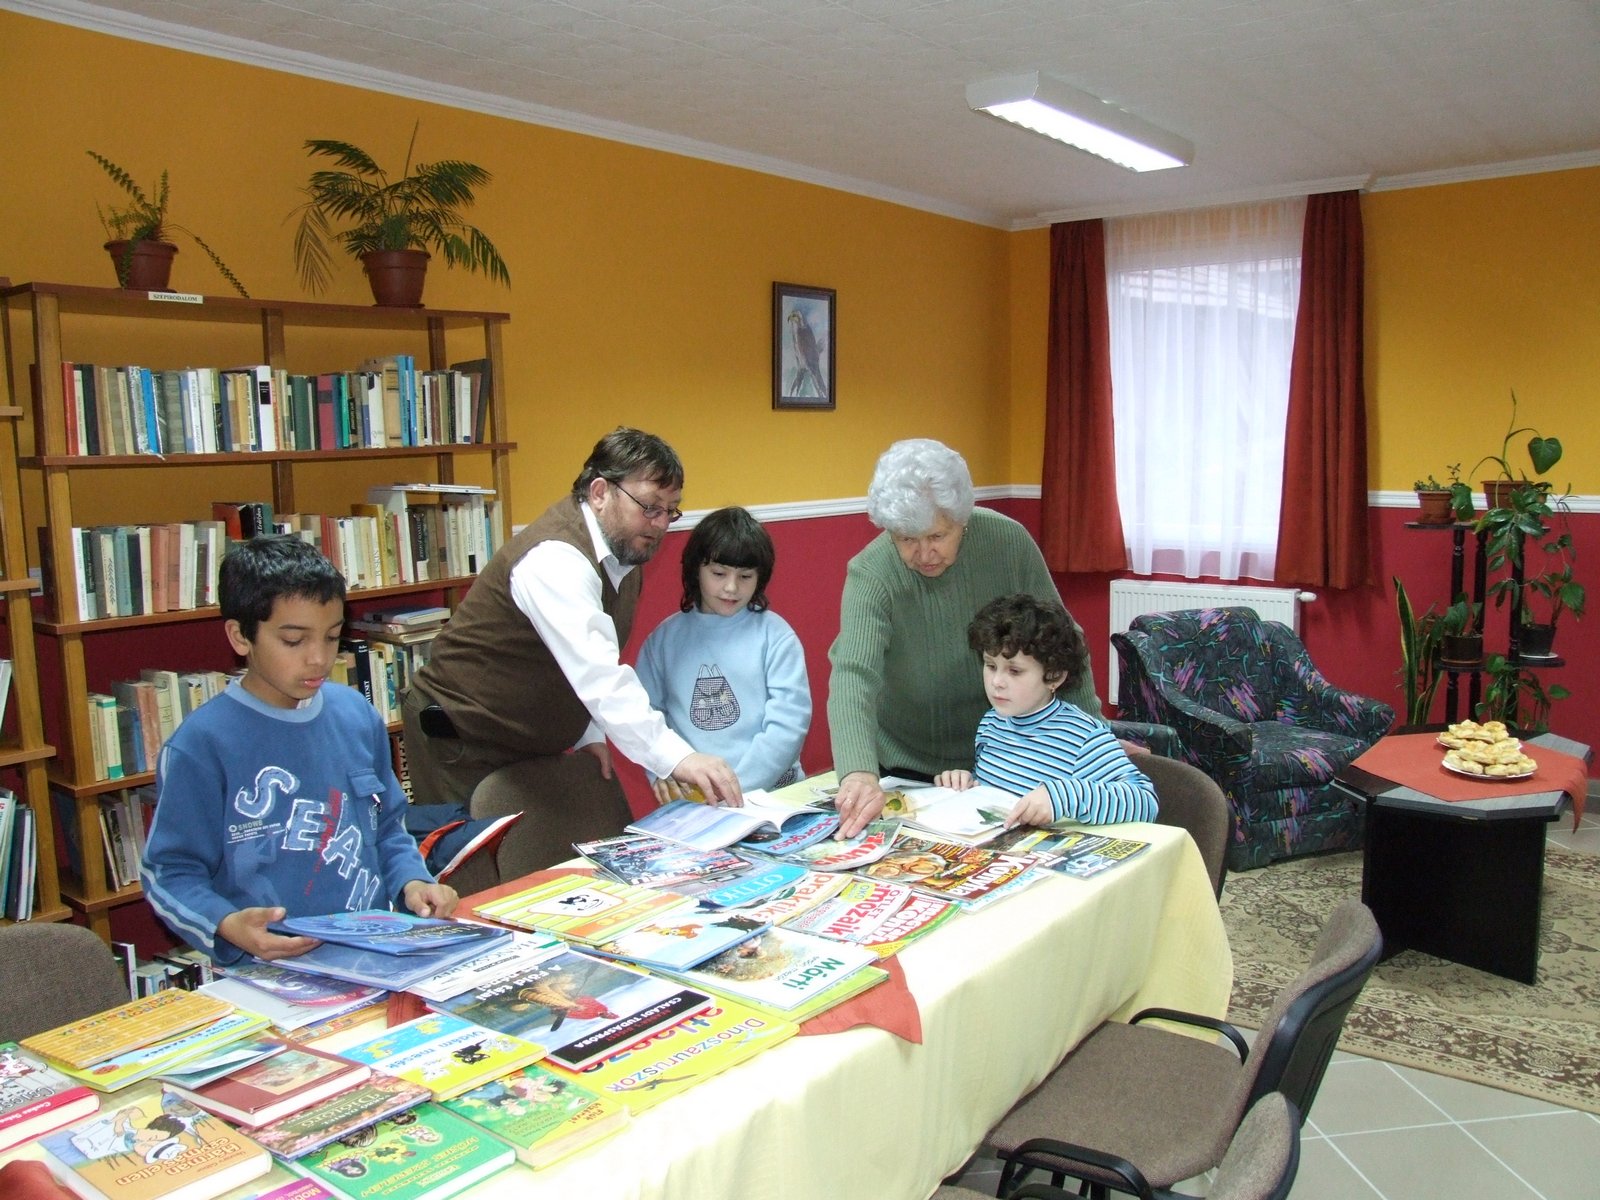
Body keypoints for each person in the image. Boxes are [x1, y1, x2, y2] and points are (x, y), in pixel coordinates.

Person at [401, 428, 742, 826]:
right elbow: (599, 677)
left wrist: (587, 735)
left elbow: (584, 657)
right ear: (599, 493)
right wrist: (678, 757)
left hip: (521, 740)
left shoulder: (624, 553)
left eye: (671, 510)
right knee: (468, 860)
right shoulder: (554, 560)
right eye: (650, 507)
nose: (661, 524)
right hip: (460, 740)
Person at [142, 536, 456, 966]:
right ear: (240, 636)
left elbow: (387, 829)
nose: (319, 659)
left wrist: (413, 882)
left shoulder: (356, 715)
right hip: (268, 969)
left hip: (372, 952)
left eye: (332, 637)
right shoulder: (202, 744)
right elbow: (170, 873)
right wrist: (225, 923)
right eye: (293, 641)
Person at [827, 438, 1109, 837]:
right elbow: (854, 675)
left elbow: (1061, 641)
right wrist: (858, 773)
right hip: (907, 767)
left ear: (963, 518)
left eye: (937, 536)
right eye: (906, 539)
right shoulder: (872, 573)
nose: (924, 554)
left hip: (1005, 760)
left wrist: (1094, 735)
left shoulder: (1007, 543)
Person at [934, 594, 1157, 827]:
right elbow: (994, 792)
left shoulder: (1083, 737)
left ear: (1054, 676)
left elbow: (1145, 802)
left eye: (1014, 671)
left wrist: (1064, 797)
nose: (996, 681)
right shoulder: (991, 722)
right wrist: (966, 783)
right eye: (990, 666)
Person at [636, 506, 810, 799]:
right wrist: (661, 767)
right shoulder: (663, 640)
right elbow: (645, 714)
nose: (731, 587)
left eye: (745, 576)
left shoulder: (776, 636)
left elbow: (788, 725)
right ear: (696, 570)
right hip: (697, 800)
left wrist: (736, 788)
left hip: (775, 796)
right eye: (718, 573)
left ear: (760, 578)